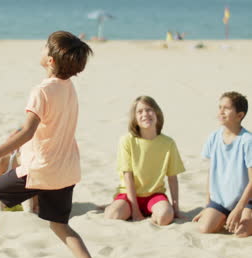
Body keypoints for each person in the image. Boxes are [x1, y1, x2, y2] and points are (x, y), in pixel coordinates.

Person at [0, 31, 94, 258]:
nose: (42, 48)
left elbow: (28, 132)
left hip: (42, 168)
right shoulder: (69, 88)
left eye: (45, 47)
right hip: (66, 169)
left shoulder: (42, 91)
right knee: (60, 226)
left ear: (50, 60)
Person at [104, 96, 185, 226]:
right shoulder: (126, 141)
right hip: (128, 196)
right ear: (135, 118)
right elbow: (127, 176)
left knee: (165, 217)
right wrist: (135, 211)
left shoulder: (168, 143)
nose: (145, 114)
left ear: (157, 113)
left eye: (149, 110)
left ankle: (153, 213)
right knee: (112, 216)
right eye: (140, 112)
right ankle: (114, 206)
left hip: (154, 195)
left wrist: (176, 209)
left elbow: (172, 177)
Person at [193, 92, 252, 237]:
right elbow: (211, 174)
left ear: (239, 115)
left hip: (245, 200)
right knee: (205, 228)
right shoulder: (213, 137)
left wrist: (239, 209)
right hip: (221, 200)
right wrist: (208, 206)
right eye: (220, 107)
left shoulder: (247, 141)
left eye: (226, 108)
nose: (221, 111)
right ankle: (225, 215)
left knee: (241, 233)